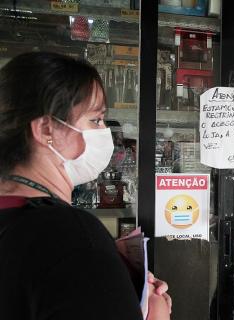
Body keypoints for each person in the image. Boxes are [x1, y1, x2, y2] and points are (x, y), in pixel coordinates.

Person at [0, 52, 171, 320]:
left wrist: (111, 272)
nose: (104, 132)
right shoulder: (71, 237)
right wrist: (156, 314)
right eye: (95, 120)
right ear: (47, 130)